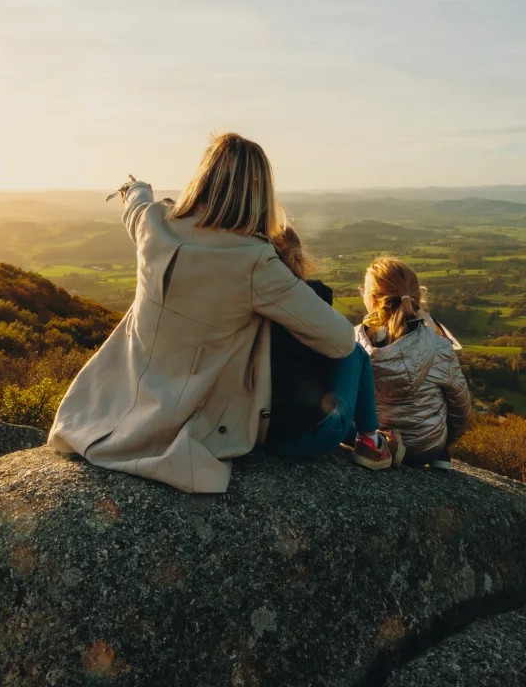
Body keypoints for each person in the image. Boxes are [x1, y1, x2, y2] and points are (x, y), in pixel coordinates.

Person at [48, 133, 355, 494]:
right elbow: (340, 340)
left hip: (109, 409)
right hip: (189, 424)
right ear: (259, 195)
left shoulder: (155, 224)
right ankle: (368, 438)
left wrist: (135, 188)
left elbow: (135, 207)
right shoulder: (255, 262)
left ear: (202, 178)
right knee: (356, 359)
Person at [266, 227, 404, 470]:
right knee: (353, 351)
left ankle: (366, 435)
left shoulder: (245, 304)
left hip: (256, 433)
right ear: (300, 259)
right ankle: (371, 439)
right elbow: (343, 348)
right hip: (307, 437)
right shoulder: (311, 300)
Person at [356, 257, 471, 470]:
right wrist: (446, 442)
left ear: (372, 299)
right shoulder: (439, 345)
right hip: (427, 448)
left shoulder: (354, 342)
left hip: (370, 439)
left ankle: (384, 443)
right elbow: (460, 405)